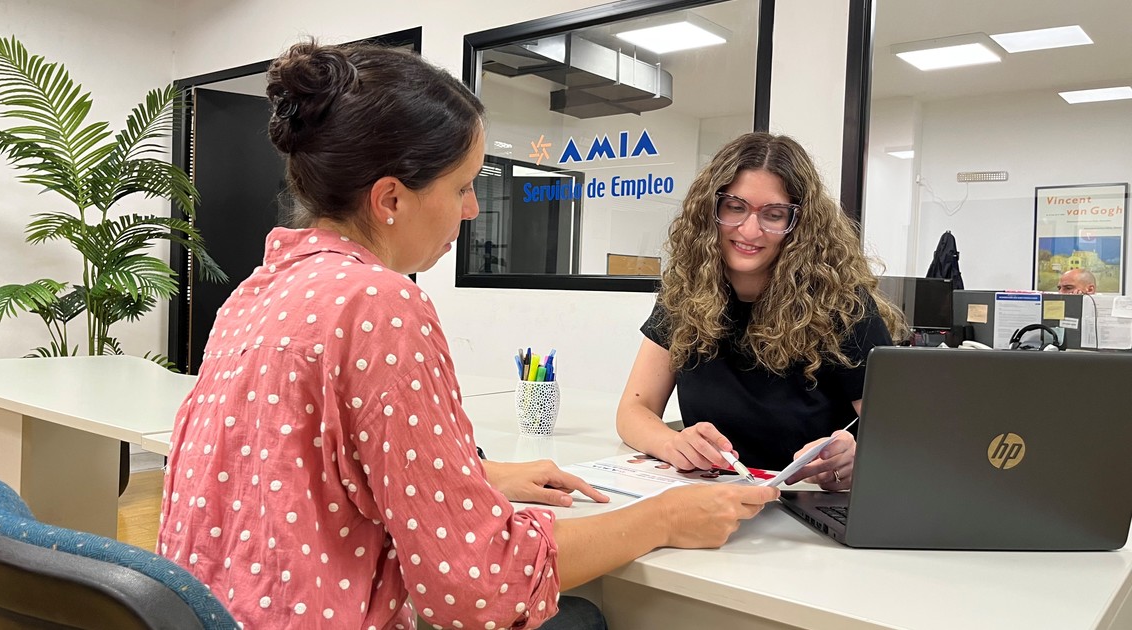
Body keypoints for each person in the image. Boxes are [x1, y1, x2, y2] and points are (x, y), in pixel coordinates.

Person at [158, 40, 779, 630]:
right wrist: (662, 518)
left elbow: (304, 474)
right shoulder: (380, 303)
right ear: (390, 199)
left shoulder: (258, 291)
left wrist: (475, 479)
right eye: (461, 186)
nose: (474, 209)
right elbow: (480, 584)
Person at [616, 132, 908, 492]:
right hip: (713, 500)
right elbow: (634, 410)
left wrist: (857, 459)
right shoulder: (685, 293)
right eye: (735, 207)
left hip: (805, 505)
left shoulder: (843, 304)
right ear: (710, 209)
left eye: (773, 214)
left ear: (799, 224)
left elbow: (898, 437)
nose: (750, 230)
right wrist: (672, 444)